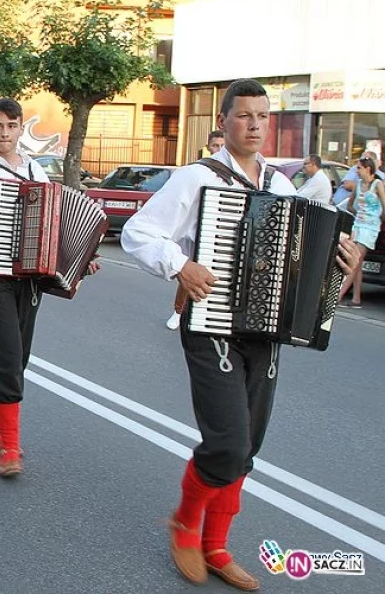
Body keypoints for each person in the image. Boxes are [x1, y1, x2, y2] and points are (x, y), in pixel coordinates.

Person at [121, 79, 360, 591]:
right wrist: (180, 265)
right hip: (212, 326)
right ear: (224, 123)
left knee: (248, 446)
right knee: (227, 442)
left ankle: (217, 545)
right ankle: (186, 521)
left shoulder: (281, 187)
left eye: (261, 116)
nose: (254, 124)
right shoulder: (195, 178)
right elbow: (138, 232)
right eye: (244, 115)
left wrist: (342, 266)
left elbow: (304, 267)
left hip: (264, 332)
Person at [0, 98, 97, 478]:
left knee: (18, 354)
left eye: (11, 126)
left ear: (19, 127)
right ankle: (10, 446)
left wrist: (81, 258)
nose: (5, 133)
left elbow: (53, 224)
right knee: (8, 350)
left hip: (30, 276)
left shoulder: (35, 172)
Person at [166, 131, 226, 331]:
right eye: (215, 145)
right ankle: (178, 312)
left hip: (222, 237)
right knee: (189, 277)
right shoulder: (199, 172)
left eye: (222, 145)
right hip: (198, 235)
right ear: (208, 147)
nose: (218, 149)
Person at [338, 156, 385, 309]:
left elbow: (384, 205)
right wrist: (359, 213)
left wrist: (376, 217)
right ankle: (356, 299)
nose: (356, 171)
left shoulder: (378, 184)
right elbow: (351, 205)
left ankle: (338, 296)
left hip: (370, 228)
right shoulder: (358, 185)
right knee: (355, 262)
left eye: (359, 168)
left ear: (368, 169)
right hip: (358, 225)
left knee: (355, 260)